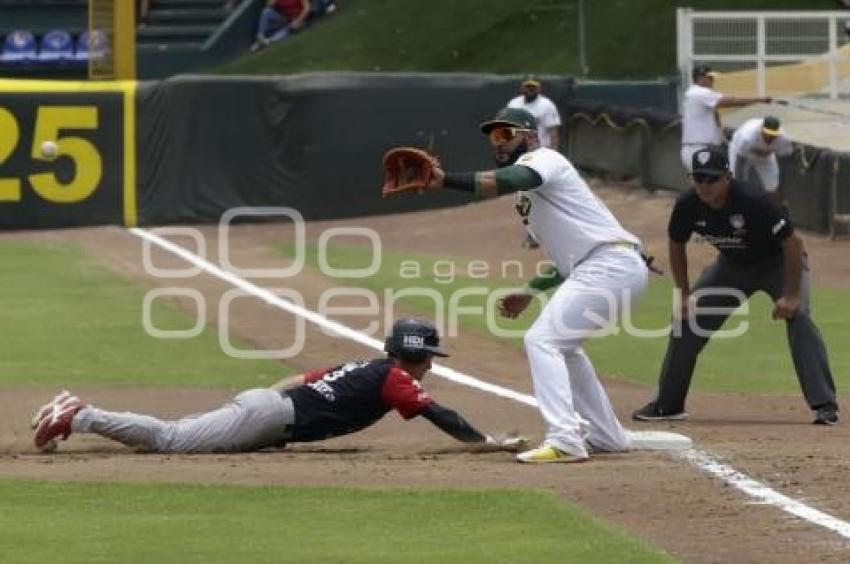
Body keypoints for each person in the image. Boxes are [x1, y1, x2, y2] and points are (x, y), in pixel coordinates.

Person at [422, 107, 650, 463]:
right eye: (493, 137)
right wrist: (530, 291)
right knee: (565, 347)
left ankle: (565, 440)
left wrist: (444, 179)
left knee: (542, 340)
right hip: (604, 265)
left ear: (529, 136)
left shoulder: (544, 159)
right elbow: (565, 262)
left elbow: (507, 179)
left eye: (506, 134)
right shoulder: (527, 195)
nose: (498, 143)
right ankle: (607, 435)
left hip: (609, 264)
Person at [31, 318, 527, 454]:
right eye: (430, 358)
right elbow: (438, 414)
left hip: (269, 408)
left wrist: (265, 414)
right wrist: (485, 444)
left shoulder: (367, 365)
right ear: (415, 355)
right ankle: (81, 414)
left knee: (179, 433)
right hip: (270, 415)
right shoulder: (395, 379)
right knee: (169, 440)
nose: (431, 367)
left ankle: (75, 412)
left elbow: (297, 379)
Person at [632, 146, 838, 425]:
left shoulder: (755, 201)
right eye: (699, 178)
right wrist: (683, 294)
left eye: (712, 179)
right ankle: (668, 404)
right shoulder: (687, 205)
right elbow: (676, 245)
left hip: (777, 264)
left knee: (799, 317)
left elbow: (793, 243)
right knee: (687, 320)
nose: (704, 185)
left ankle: (825, 405)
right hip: (731, 267)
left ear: (727, 177)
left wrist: (790, 295)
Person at [681, 64, 772, 172]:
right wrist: (759, 100)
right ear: (700, 78)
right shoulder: (700, 92)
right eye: (709, 77)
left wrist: (721, 132)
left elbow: (714, 116)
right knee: (711, 185)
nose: (712, 80)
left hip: (698, 148)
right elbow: (731, 101)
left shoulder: (694, 94)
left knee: (705, 185)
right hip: (699, 149)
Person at [507, 77, 562, 250]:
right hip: (519, 156)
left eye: (533, 87)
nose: (530, 90)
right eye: (527, 87)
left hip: (540, 156)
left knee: (540, 195)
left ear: (538, 89)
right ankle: (534, 232)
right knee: (525, 196)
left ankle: (537, 233)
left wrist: (553, 154)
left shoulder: (546, 105)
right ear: (522, 88)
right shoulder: (514, 104)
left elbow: (553, 131)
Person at [728, 116, 794, 206]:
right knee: (736, 184)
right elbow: (740, 164)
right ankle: (738, 208)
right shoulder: (747, 137)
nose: (770, 136)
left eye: (773, 134)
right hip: (741, 154)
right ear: (761, 129)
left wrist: (780, 187)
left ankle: (778, 213)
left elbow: (784, 164)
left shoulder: (783, 139)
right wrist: (741, 189)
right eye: (767, 133)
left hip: (765, 157)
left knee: (773, 188)